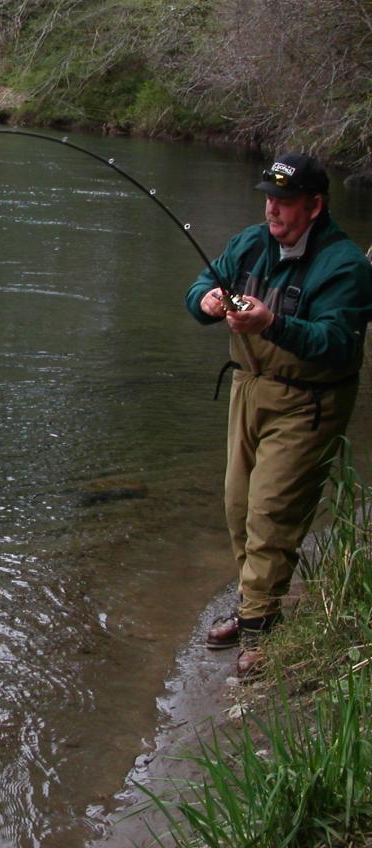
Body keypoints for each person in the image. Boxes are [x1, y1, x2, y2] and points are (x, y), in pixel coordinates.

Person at [186, 152, 372, 678]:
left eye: (285, 202)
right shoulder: (250, 243)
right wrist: (207, 302)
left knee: (272, 513)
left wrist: (273, 324)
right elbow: (199, 285)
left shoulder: (347, 267)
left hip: (309, 401)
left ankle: (260, 628)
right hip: (248, 389)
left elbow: (337, 344)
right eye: (269, 197)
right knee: (238, 507)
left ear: (314, 206)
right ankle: (253, 609)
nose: (273, 209)